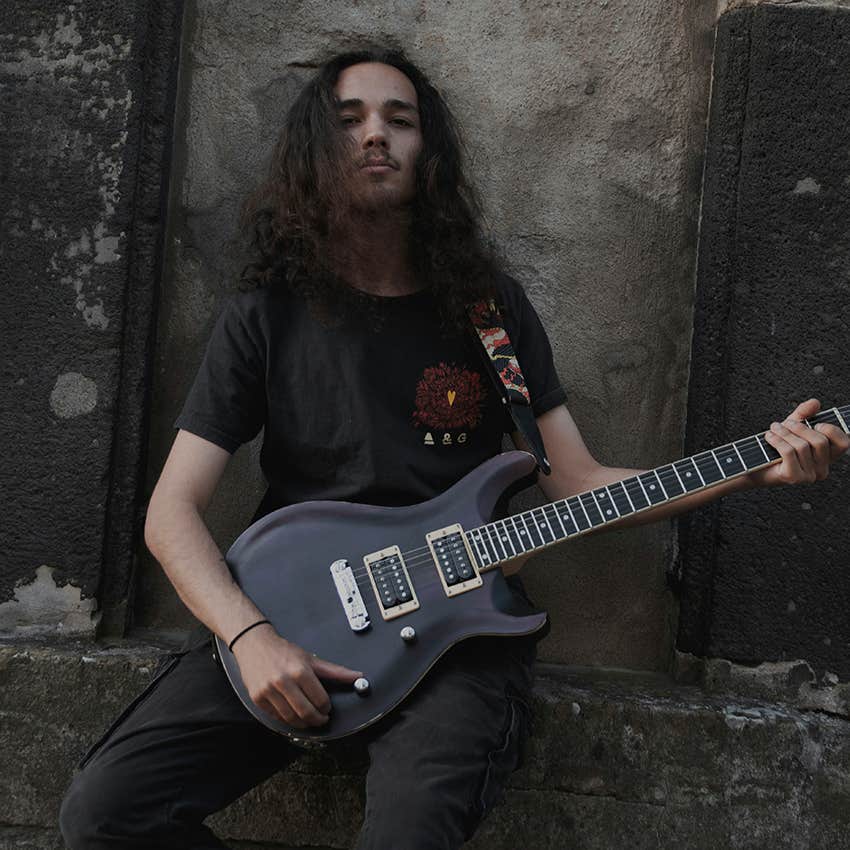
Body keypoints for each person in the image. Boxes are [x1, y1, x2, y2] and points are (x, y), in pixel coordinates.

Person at [59, 47, 849, 849]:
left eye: (400, 121)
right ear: (315, 149)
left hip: (458, 639)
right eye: (350, 120)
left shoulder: (490, 310)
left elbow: (575, 483)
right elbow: (171, 512)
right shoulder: (266, 311)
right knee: (105, 812)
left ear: (427, 150)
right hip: (287, 615)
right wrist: (248, 634)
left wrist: (754, 468)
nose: (376, 136)